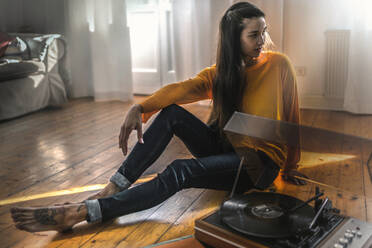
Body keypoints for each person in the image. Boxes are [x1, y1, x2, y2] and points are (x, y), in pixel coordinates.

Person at [11, 2, 307, 233]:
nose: (262, 40)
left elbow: (292, 116)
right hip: (228, 150)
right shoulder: (222, 74)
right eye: (254, 34)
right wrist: (140, 108)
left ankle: (85, 212)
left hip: (259, 166)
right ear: (234, 39)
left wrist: (290, 165)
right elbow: (181, 89)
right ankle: (111, 189)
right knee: (172, 114)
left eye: (263, 32)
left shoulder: (280, 66)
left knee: (181, 170)